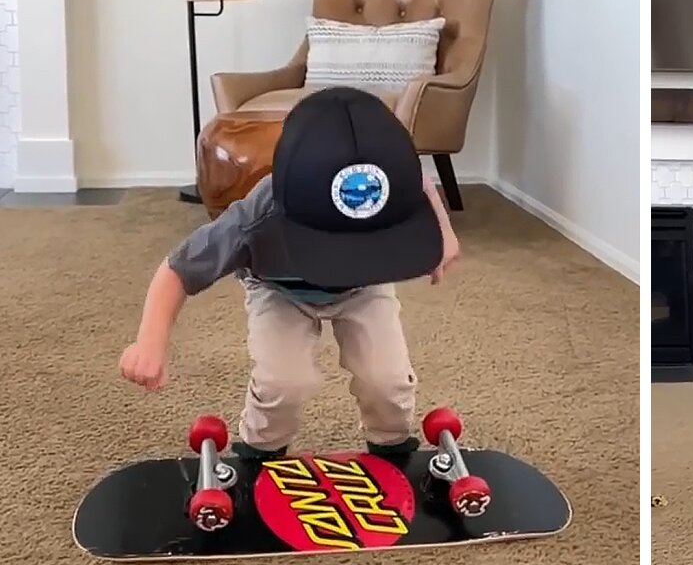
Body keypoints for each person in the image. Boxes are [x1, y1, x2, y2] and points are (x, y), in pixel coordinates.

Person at [119, 86, 461, 460]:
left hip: (365, 288)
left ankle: (392, 449)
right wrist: (149, 342)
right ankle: (260, 451)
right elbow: (177, 269)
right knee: (284, 382)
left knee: (386, 380)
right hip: (279, 290)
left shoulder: (393, 188)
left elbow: (422, 185)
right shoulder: (254, 220)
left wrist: (442, 234)